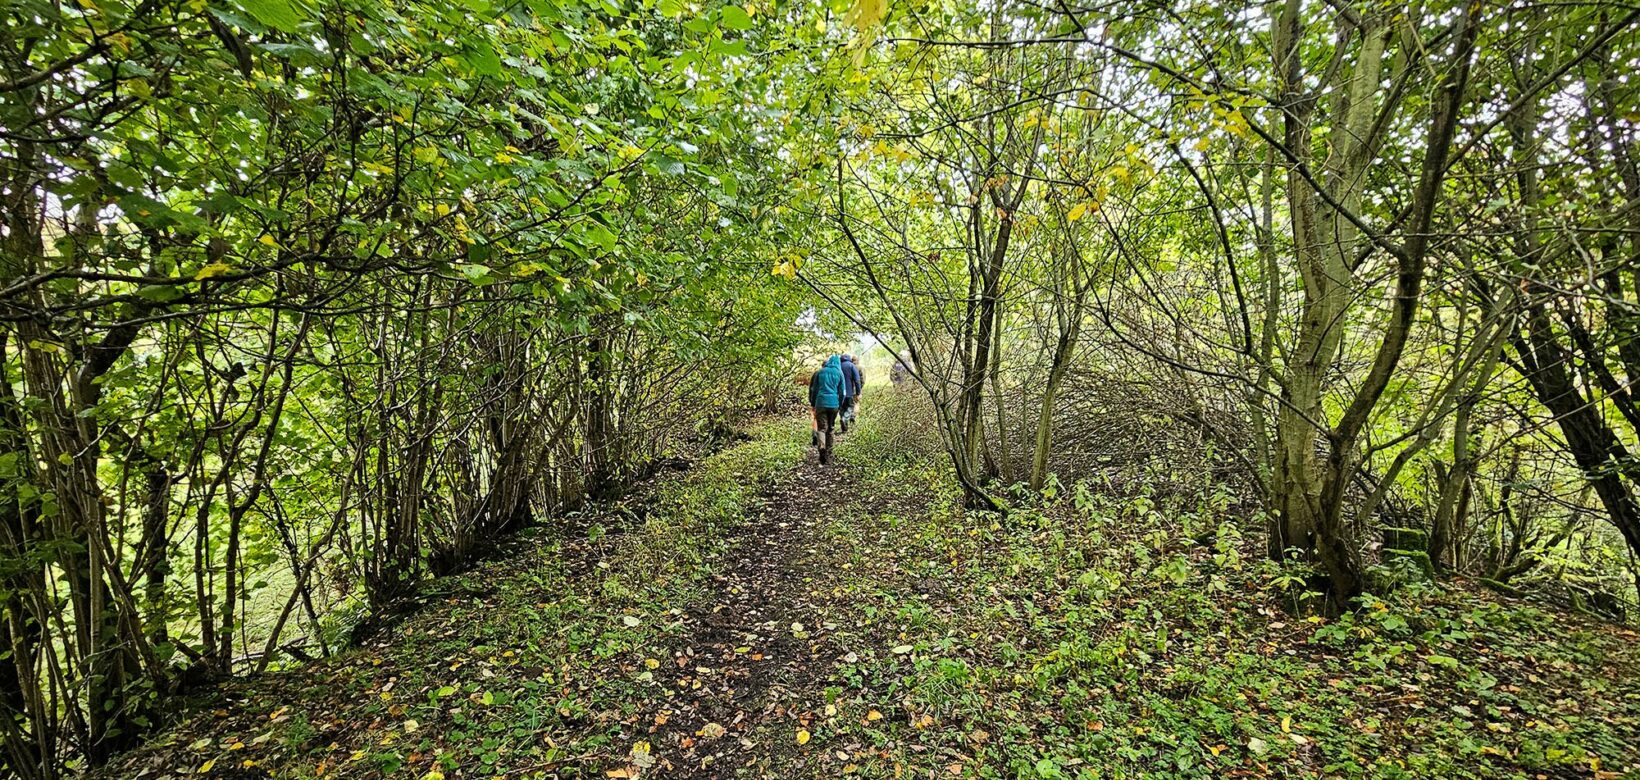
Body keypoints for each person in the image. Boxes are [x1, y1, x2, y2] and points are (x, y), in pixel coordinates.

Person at [807, 355, 850, 464]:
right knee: (830, 428)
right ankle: (829, 453)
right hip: (834, 404)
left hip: (821, 403)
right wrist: (839, 404)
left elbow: (814, 389)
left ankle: (822, 447)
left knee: (822, 428)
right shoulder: (839, 373)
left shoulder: (820, 372)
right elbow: (842, 392)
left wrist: (813, 403)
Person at [838, 354, 863, 432]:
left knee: (842, 408)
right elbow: (857, 380)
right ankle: (844, 419)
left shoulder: (838, 366)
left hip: (839, 393)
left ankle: (844, 428)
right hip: (849, 392)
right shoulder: (852, 366)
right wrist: (858, 392)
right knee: (850, 408)